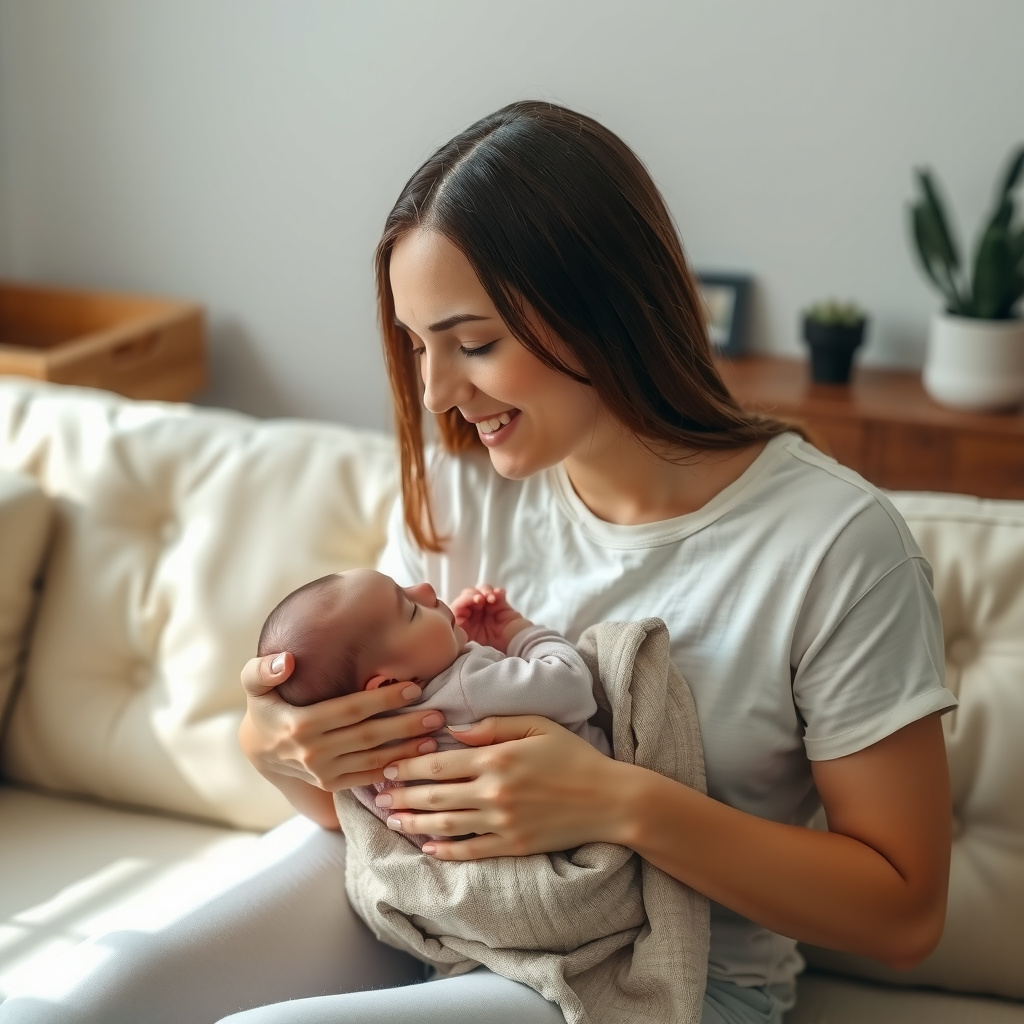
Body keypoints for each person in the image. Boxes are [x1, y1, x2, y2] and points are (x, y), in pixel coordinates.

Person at [0, 100, 955, 1024]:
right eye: (420, 348)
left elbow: (904, 915)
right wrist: (280, 746)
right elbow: (387, 798)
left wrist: (620, 803)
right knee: (78, 1005)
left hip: (664, 975)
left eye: (474, 343)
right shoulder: (465, 489)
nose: (437, 393)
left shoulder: (834, 544)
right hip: (441, 910)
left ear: (606, 308)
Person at [256, 570, 609, 844]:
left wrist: (457, 639)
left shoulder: (363, 756)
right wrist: (521, 633)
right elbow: (572, 686)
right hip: (588, 818)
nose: (425, 588)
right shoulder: (468, 685)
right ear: (390, 685)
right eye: (411, 610)